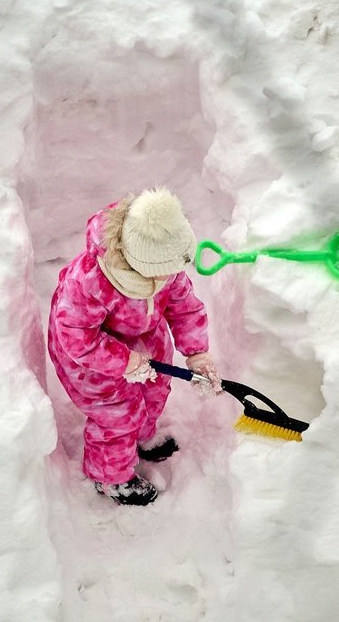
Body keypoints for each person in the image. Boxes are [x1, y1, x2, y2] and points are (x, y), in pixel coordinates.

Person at [47, 187, 222, 506]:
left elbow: (185, 307)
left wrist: (197, 352)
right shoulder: (88, 283)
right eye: (166, 272)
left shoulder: (166, 266)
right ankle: (110, 477)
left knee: (155, 391)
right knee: (118, 415)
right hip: (90, 360)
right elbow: (76, 337)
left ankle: (142, 436)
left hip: (144, 340)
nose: (173, 277)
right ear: (142, 263)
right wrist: (123, 361)